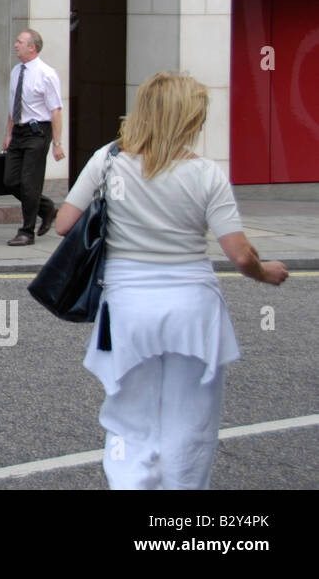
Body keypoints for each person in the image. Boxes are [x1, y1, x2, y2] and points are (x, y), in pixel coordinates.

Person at [55, 72, 287, 490]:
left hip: (127, 307)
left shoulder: (109, 160)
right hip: (192, 308)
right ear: (187, 119)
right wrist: (266, 272)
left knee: (128, 417)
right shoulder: (206, 174)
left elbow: (63, 224)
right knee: (191, 419)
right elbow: (238, 253)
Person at [2, 29, 64, 245]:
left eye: (20, 42)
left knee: (30, 183)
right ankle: (46, 209)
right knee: (9, 181)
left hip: (38, 132)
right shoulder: (15, 71)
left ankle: (26, 232)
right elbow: (13, 106)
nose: (16, 45)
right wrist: (8, 133)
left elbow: (56, 109)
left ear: (32, 47)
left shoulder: (46, 74)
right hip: (19, 132)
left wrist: (57, 143)